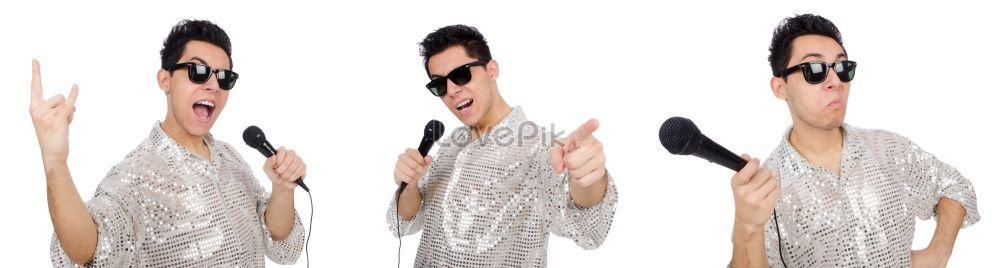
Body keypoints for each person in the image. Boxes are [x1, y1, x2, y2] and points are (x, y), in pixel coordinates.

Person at [31, 19, 307, 267]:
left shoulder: (230, 157)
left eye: (223, 77)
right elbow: (87, 248)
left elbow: (277, 237)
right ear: (165, 80)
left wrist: (283, 189)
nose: (213, 86)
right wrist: (55, 162)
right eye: (198, 71)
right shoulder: (137, 174)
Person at [729, 14, 980, 267]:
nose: (835, 82)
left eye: (842, 68)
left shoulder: (890, 150)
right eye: (814, 70)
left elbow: (954, 186)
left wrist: (939, 252)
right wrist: (747, 226)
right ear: (780, 87)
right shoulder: (765, 191)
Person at [386, 24, 618, 267]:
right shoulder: (449, 146)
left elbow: (586, 226)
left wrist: (589, 179)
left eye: (461, 74)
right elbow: (404, 223)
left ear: (492, 70)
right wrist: (410, 185)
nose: (452, 90)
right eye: (440, 85)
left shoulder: (540, 147)